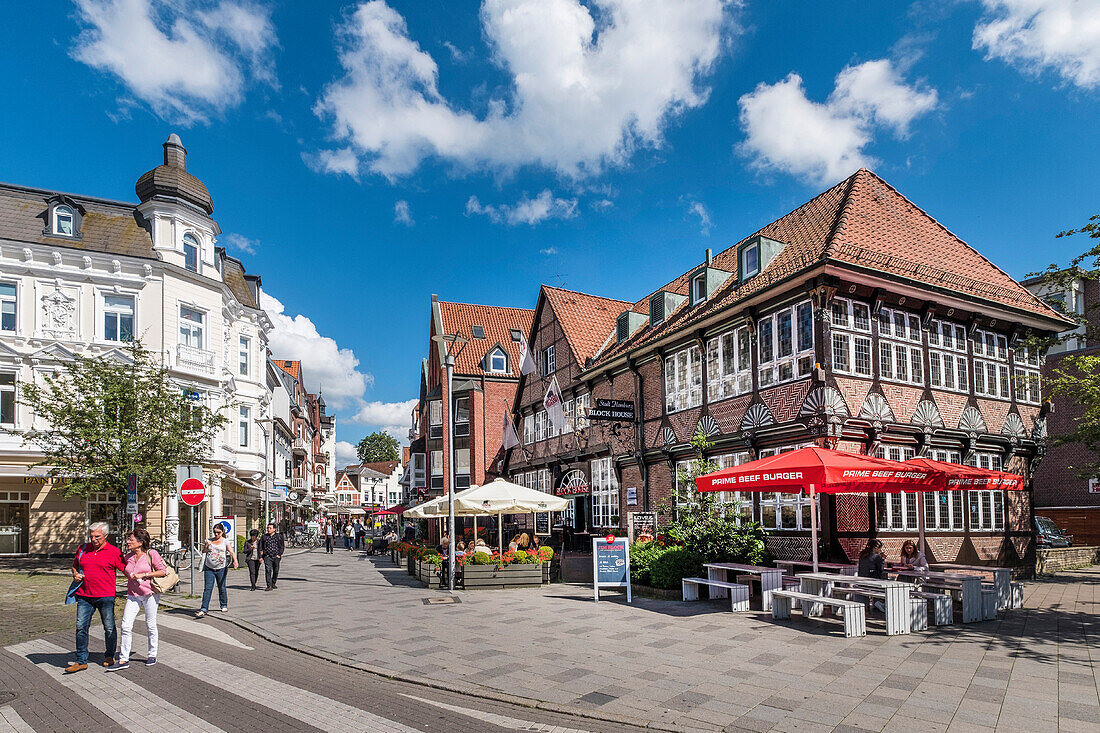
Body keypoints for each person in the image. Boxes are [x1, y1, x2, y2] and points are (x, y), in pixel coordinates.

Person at [66, 522, 125, 673]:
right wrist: (75, 574)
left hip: (106, 596)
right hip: (85, 596)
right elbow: (75, 565)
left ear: (105, 536)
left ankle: (110, 655)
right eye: (91, 536)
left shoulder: (114, 552)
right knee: (81, 627)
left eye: (97, 536)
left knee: (109, 628)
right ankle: (81, 660)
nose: (93, 539)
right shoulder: (83, 548)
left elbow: (126, 569)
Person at [107, 528, 167, 671]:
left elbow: (163, 571)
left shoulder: (151, 554)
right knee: (126, 625)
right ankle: (123, 659)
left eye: (131, 540)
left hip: (150, 594)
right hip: (133, 595)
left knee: (150, 625)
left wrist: (144, 575)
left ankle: (152, 654)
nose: (128, 542)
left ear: (140, 542)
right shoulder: (128, 557)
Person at [196, 523, 237, 618]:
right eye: (214, 532)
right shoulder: (209, 540)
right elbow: (203, 552)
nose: (216, 534)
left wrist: (235, 560)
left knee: (221, 587)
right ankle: (204, 608)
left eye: (218, 532)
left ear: (222, 532)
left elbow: (231, 551)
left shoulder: (225, 541)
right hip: (209, 568)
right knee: (207, 589)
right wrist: (206, 546)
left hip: (221, 568)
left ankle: (223, 604)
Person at [857, 539, 886, 613]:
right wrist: (882, 560)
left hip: (862, 580)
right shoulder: (876, 556)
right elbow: (881, 569)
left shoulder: (862, 555)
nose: (880, 550)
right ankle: (878, 603)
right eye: (880, 548)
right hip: (871, 581)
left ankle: (876, 603)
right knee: (886, 583)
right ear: (876, 548)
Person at [260, 522, 284, 591]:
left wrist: (279, 554)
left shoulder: (279, 536)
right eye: (268, 528)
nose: (268, 529)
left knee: (276, 570)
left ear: (274, 529)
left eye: (270, 528)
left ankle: (273, 582)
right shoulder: (264, 536)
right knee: (268, 570)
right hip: (267, 556)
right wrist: (261, 554)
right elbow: (260, 546)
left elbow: (282, 546)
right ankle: (269, 585)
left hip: (276, 556)